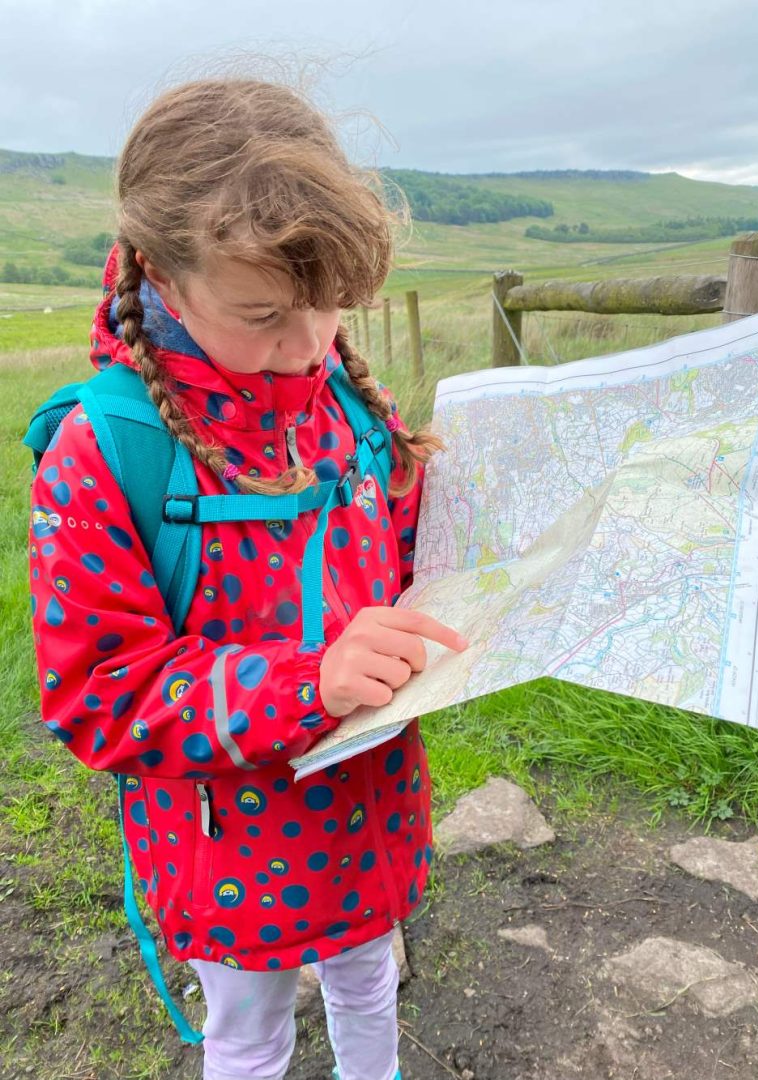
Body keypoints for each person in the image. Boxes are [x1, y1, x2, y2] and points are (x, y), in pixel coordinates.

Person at [28, 78, 468, 1080]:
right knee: (248, 1032)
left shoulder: (347, 404)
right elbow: (101, 692)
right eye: (264, 314)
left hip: (369, 803)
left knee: (370, 980)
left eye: (330, 306)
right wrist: (311, 682)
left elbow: (402, 551)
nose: (309, 349)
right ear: (160, 274)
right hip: (228, 848)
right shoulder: (106, 454)